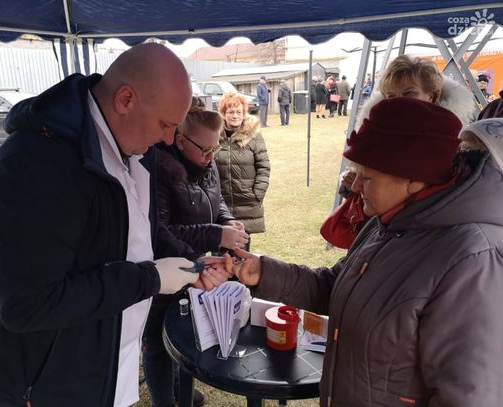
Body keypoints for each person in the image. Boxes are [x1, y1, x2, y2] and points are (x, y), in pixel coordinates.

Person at [0, 44, 228, 407]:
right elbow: (27, 304)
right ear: (125, 100)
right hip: (42, 386)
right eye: (165, 124)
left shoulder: (135, 150)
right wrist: (150, 278)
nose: (169, 140)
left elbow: (140, 230)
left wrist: (191, 263)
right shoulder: (34, 165)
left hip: (101, 370)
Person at [228, 97, 503, 407]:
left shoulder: (471, 260)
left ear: (414, 179)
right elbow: (337, 285)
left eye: (367, 177)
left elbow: (469, 396)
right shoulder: (388, 222)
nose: (355, 186)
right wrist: (265, 272)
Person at [144, 97, 249, 407]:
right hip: (164, 269)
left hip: (196, 264)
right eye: (205, 150)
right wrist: (216, 234)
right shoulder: (157, 170)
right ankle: (165, 401)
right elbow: (159, 232)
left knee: (183, 334)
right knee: (156, 343)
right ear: (180, 140)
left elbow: (216, 200)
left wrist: (227, 222)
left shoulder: (206, 159)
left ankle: (182, 387)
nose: (210, 156)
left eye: (215, 149)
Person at [322, 54, 477, 249]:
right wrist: (359, 181)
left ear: (431, 94)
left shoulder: (455, 140)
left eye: (409, 93)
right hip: (380, 235)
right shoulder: (380, 129)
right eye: (391, 96)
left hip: (418, 240)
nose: (399, 102)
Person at [215, 91, 270, 238]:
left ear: (244, 113)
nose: (235, 116)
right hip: (220, 206)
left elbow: (264, 167)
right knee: (220, 248)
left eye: (239, 112)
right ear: (223, 114)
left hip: (247, 204)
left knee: (242, 250)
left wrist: (257, 194)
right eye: (231, 112)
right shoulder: (214, 135)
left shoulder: (254, 136)